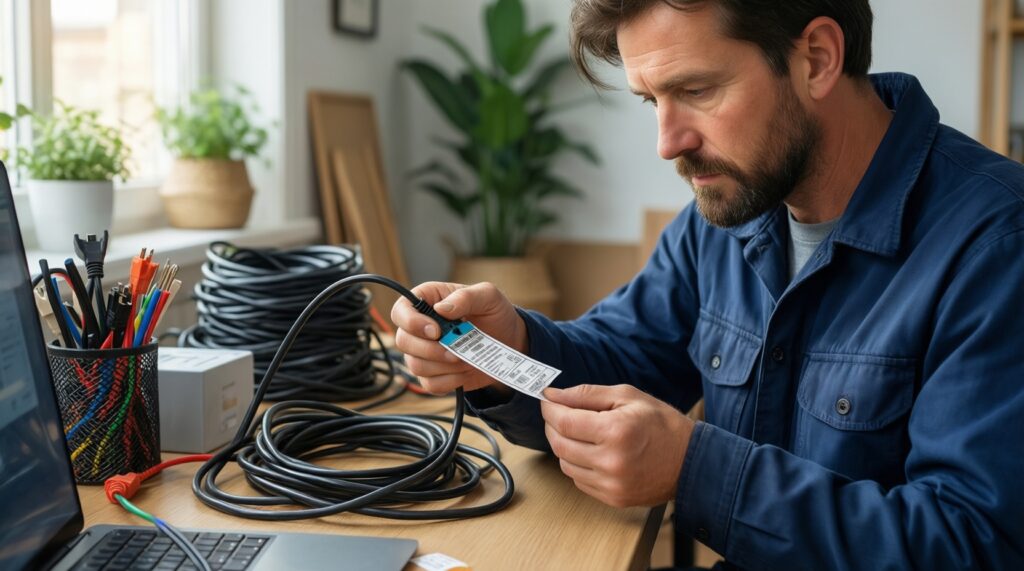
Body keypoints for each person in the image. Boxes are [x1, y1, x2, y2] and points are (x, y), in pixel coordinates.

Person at [392, 1, 1024, 569]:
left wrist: (696, 471)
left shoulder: (996, 246)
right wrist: (507, 351)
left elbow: (973, 543)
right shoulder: (727, 218)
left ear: (817, 59)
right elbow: (622, 358)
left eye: (696, 89)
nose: (669, 143)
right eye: (652, 101)